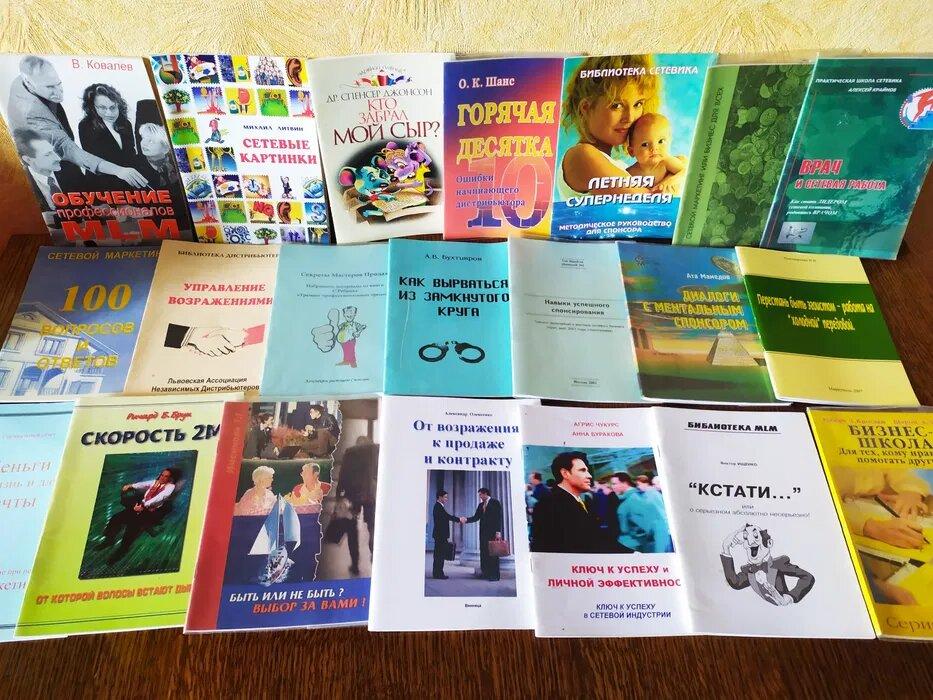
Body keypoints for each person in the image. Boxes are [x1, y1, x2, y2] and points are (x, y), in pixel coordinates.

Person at [7, 55, 148, 187]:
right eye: (50, 87)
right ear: (29, 84)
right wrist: (118, 170)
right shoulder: (31, 112)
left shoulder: (28, 80)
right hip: (50, 163)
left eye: (58, 84)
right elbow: (67, 148)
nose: (59, 92)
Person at [557, 54, 677, 200]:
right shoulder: (581, 156)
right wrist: (677, 175)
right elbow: (648, 202)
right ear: (586, 108)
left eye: (638, 104)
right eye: (617, 105)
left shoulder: (619, 166)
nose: (630, 117)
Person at [530, 452, 616, 554]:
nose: (589, 476)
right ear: (565, 473)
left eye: (587, 471)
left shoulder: (581, 501)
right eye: (582, 470)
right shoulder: (548, 505)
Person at [95, 467, 180, 564]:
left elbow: (160, 497)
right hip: (140, 505)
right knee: (116, 518)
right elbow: (143, 484)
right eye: (162, 475)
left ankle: (122, 551)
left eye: (166, 476)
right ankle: (109, 540)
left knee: (131, 529)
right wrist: (131, 485)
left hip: (150, 511)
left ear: (170, 478)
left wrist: (144, 505)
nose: (162, 477)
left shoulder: (170, 487)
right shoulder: (155, 482)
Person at [77, 83, 137, 189]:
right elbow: (94, 160)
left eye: (113, 107)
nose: (109, 113)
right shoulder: (85, 125)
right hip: (101, 186)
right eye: (102, 108)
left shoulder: (126, 124)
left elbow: (131, 154)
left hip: (128, 184)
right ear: (93, 108)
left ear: (119, 105)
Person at [337, 436, 378, 575]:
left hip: (352, 495)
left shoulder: (350, 452)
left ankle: (355, 564)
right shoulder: (376, 451)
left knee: (352, 529)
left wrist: (339, 496)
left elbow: (343, 475)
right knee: (372, 526)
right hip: (370, 495)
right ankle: (375, 555)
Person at [624, 113, 685, 194]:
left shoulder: (666, 162)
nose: (654, 148)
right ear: (632, 152)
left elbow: (685, 171)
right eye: (645, 144)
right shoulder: (629, 173)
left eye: (661, 141)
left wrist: (669, 182)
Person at [12, 127, 69, 211]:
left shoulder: (70, 169)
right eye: (47, 154)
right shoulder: (18, 185)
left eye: (53, 151)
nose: (58, 158)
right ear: (28, 159)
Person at [465, 487, 505, 581]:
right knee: (484, 553)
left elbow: (498, 517)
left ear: (486, 494)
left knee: (493, 553)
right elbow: (476, 517)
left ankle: (495, 575)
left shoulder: (495, 502)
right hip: (483, 533)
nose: (480, 497)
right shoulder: (481, 505)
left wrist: (498, 532)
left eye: (480, 495)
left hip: (493, 532)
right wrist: (466, 520)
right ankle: (486, 573)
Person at [431, 489, 462, 579]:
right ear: (440, 497)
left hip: (440, 535)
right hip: (440, 535)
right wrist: (459, 519)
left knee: (439, 555)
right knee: (440, 555)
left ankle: (437, 573)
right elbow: (447, 517)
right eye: (445, 497)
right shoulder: (438, 507)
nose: (446, 499)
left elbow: (446, 517)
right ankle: (438, 574)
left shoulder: (439, 506)